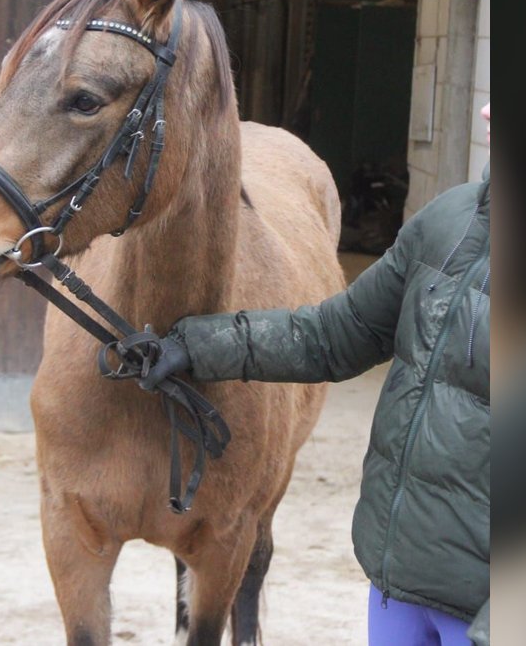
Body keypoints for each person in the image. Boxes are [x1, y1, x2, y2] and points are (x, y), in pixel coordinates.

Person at [141, 105, 492, 646]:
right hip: (400, 581)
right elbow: (337, 332)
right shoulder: (452, 219)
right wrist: (195, 344)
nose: (489, 107)